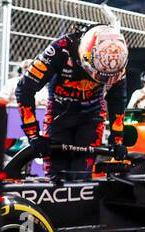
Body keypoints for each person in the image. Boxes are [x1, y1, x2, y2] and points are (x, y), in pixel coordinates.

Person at [16, 24, 128, 178]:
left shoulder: (116, 60)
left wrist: (117, 139)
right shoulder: (59, 50)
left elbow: (118, 100)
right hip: (59, 115)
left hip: (92, 116)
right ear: (85, 56)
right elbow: (24, 89)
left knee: (81, 175)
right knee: (56, 175)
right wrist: (33, 135)